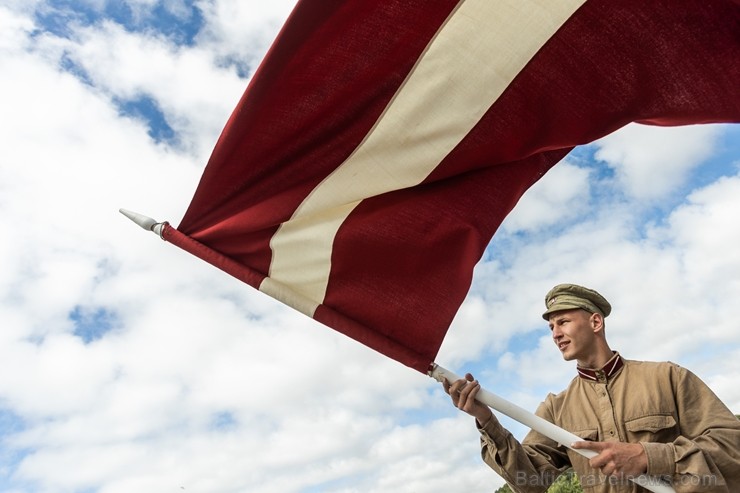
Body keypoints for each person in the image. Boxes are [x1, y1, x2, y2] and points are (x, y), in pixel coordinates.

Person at [444, 283, 740, 492]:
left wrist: (649, 456)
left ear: (595, 322)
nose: (556, 334)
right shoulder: (556, 409)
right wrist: (485, 419)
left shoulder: (667, 377)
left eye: (563, 322)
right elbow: (529, 482)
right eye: (551, 328)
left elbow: (731, 445)